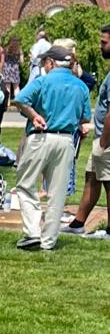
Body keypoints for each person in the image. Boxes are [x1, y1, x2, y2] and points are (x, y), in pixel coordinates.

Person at [10, 43, 92, 251]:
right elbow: (84, 117)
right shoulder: (80, 86)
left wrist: (34, 115)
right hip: (66, 140)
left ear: (50, 63)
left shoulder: (43, 81)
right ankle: (49, 241)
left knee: (26, 184)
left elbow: (20, 99)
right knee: (57, 191)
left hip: (40, 137)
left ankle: (32, 232)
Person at [65, 27, 110, 236]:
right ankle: (78, 223)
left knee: (108, 183)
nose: (100, 46)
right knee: (92, 177)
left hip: (107, 141)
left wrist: (103, 144)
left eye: (104, 42)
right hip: (101, 137)